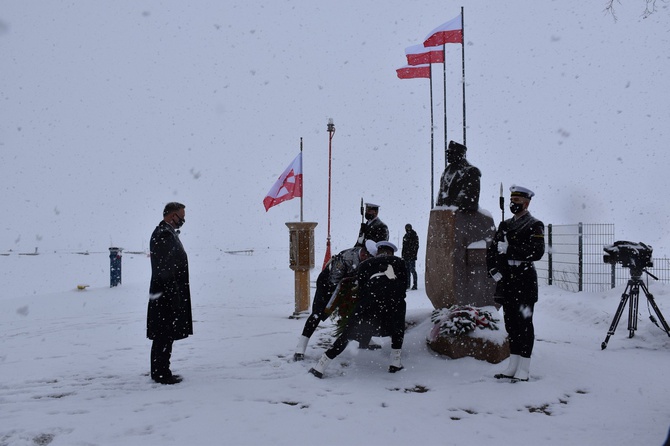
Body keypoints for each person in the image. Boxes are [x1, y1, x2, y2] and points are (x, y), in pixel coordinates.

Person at [309, 241, 408, 378]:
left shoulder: (365, 265)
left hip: (368, 304)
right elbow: (404, 288)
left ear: (377, 252)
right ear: (392, 252)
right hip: (393, 304)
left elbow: (361, 289)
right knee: (398, 327)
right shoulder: (400, 263)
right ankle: (395, 363)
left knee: (347, 334)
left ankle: (321, 366)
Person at [486, 185, 545, 382]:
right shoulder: (505, 225)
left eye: (517, 202)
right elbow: (492, 251)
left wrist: (511, 249)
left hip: (524, 279)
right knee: (511, 324)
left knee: (524, 325)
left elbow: (536, 252)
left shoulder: (535, 225)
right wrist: (493, 271)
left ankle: (525, 367)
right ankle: (513, 364)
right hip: (507, 280)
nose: (513, 205)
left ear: (526, 203)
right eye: (512, 201)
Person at [293, 240, 377, 361]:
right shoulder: (346, 258)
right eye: (369, 258)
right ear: (364, 254)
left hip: (346, 285)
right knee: (317, 314)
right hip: (327, 284)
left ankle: (364, 339)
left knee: (356, 311)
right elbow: (334, 281)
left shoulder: (365, 260)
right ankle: (301, 347)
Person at [146, 202, 193, 385]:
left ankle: (161, 369)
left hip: (165, 292)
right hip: (164, 294)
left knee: (165, 334)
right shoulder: (164, 235)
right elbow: (166, 269)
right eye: (181, 216)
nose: (183, 220)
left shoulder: (167, 233)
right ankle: (161, 373)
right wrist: (174, 295)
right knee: (163, 334)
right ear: (172, 215)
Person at [435, 141, 481, 211]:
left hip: (462, 217)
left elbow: (469, 201)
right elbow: (440, 197)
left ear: (459, 154)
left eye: (451, 153)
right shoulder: (446, 171)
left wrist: (450, 205)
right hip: (445, 216)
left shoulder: (471, 171)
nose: (448, 155)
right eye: (448, 153)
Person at [401, 224, 419, 290]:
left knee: (412, 270)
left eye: (408, 228)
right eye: (406, 228)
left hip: (411, 256)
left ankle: (415, 285)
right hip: (406, 257)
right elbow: (404, 247)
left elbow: (416, 246)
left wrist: (413, 255)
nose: (407, 229)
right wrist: (402, 256)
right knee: (407, 271)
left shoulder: (414, 235)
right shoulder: (405, 236)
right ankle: (408, 285)